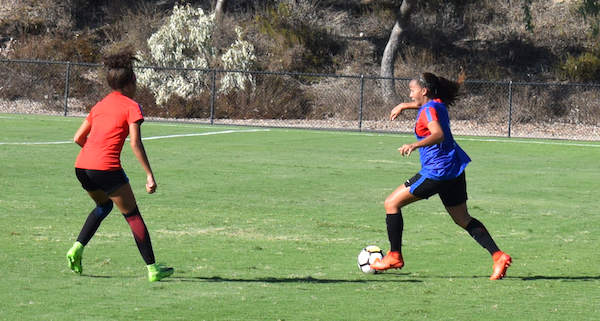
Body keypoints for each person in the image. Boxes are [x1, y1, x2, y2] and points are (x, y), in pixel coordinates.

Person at [370, 72, 512, 280]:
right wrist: (403, 106)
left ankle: (394, 256)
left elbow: (437, 134)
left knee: (391, 203)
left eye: (412, 90)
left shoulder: (429, 111)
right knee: (463, 219)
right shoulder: (437, 104)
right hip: (454, 170)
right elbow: (426, 109)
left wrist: (414, 144)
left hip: (437, 172)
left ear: (424, 91)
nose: (410, 94)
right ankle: (498, 256)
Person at [66, 48, 174, 282]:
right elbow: (135, 143)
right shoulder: (131, 106)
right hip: (106, 168)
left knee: (104, 207)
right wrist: (149, 175)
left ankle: (76, 248)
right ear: (128, 84)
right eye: (135, 80)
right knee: (133, 216)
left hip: (82, 167)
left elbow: (77, 138)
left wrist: (94, 153)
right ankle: (153, 269)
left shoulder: (99, 105)